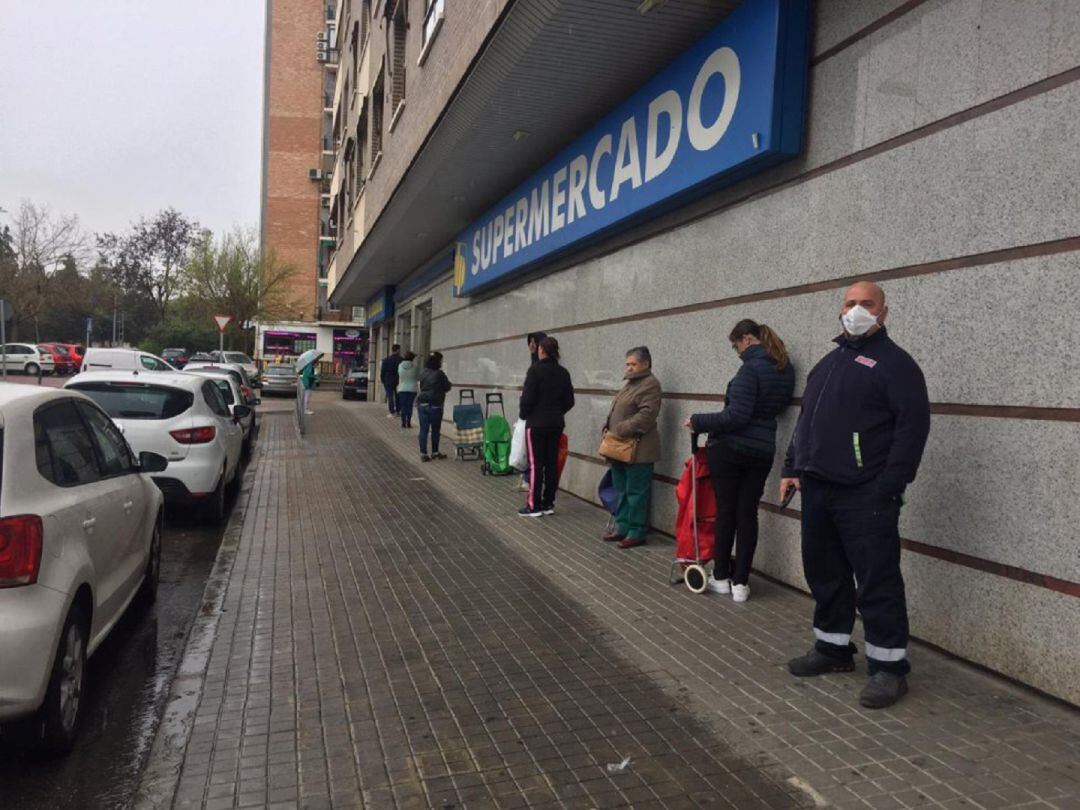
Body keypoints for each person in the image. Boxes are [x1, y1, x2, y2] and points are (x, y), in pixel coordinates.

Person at [780, 281, 930, 709]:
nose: (857, 310)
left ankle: (889, 667)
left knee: (877, 580)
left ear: (884, 312)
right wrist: (792, 468)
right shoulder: (828, 364)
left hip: (866, 494)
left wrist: (889, 485)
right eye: (850, 303)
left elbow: (912, 430)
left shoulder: (895, 365)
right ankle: (832, 649)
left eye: (867, 304)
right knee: (825, 573)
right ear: (839, 309)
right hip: (819, 488)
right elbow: (807, 422)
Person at [685, 320, 795, 602]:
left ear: (746, 339)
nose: (737, 352)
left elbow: (736, 416)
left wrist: (698, 420)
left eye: (736, 346)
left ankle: (721, 576)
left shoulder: (750, 369)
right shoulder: (784, 367)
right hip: (762, 451)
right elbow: (775, 408)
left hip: (732, 449)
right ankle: (741, 583)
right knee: (748, 515)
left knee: (727, 513)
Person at [602, 347, 662, 549]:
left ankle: (636, 531)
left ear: (645, 364)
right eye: (627, 364)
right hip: (619, 447)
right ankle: (622, 527)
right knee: (622, 489)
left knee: (636, 492)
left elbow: (647, 415)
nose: (628, 367)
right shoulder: (630, 383)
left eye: (633, 364)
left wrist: (620, 428)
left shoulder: (650, 385)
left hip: (638, 449)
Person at [518, 336, 574, 517]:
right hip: (556, 424)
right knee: (551, 463)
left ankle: (534, 504)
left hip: (536, 424)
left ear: (542, 350)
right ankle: (548, 502)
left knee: (536, 464)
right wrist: (557, 412)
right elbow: (569, 401)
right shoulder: (563, 372)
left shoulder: (535, 371)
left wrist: (524, 415)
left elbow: (527, 398)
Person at [519, 331, 548, 491]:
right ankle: (530, 480)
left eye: (534, 342)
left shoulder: (538, 368)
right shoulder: (535, 363)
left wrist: (523, 412)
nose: (531, 345)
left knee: (535, 455)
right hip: (547, 419)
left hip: (537, 418)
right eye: (529, 342)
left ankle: (531, 483)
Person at [417, 351, 452, 461]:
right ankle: (435, 452)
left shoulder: (422, 372)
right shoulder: (439, 374)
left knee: (423, 429)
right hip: (435, 404)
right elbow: (447, 387)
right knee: (435, 430)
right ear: (438, 361)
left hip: (422, 403)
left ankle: (423, 454)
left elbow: (421, 386)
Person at [379, 344, 403, 417]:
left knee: (390, 396)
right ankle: (398, 411)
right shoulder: (401, 360)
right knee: (398, 396)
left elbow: (382, 372)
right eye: (400, 350)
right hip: (398, 380)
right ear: (398, 350)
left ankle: (392, 412)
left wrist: (383, 380)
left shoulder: (386, 360)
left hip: (388, 381)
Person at [396, 351, 418, 428]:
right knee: (409, 406)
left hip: (402, 388)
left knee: (403, 406)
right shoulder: (415, 367)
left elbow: (399, 375)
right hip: (412, 389)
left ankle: (403, 423)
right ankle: (408, 422)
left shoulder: (400, 366)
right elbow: (417, 377)